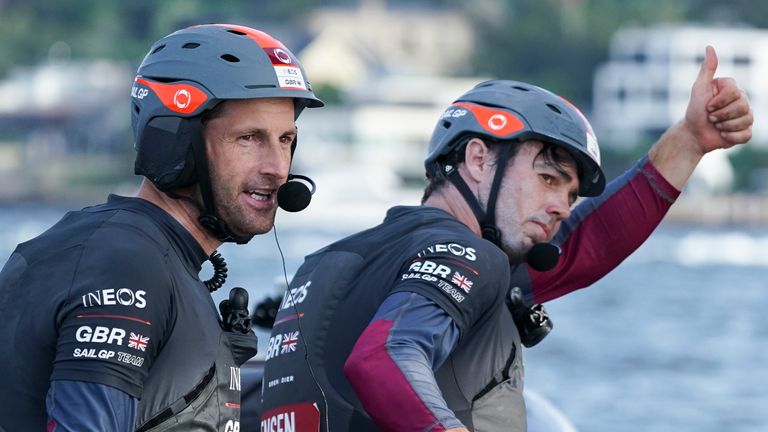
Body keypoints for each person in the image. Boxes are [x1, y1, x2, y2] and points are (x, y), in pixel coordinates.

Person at [256, 46, 751, 431]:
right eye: (548, 177)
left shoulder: (331, 262)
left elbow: (587, 244)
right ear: (477, 159)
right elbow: (384, 357)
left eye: (571, 193)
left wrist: (690, 140)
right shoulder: (468, 255)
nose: (561, 205)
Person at [0, 23, 323, 431]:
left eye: (285, 140)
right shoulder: (124, 263)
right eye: (249, 138)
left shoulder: (152, 258)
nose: (277, 168)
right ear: (176, 145)